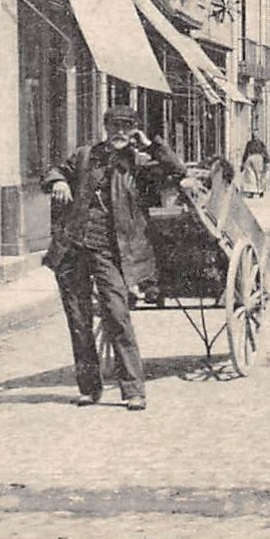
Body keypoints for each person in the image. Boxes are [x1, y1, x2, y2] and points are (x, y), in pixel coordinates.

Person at [43, 104, 185, 411]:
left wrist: (150, 144)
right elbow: (55, 170)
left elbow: (177, 172)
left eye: (126, 126)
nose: (119, 132)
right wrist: (59, 182)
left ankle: (133, 390)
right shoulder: (85, 156)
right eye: (114, 126)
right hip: (74, 247)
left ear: (134, 129)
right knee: (79, 321)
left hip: (114, 250)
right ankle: (90, 389)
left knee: (117, 314)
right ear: (105, 127)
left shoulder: (140, 163)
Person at [239, 131, 270, 198]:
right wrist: (243, 162)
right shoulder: (250, 144)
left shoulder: (260, 143)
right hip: (253, 158)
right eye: (254, 135)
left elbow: (264, 152)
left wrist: (266, 161)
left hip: (257, 158)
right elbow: (246, 153)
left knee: (257, 175)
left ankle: (259, 190)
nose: (255, 136)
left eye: (256, 135)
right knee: (251, 175)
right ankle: (253, 190)